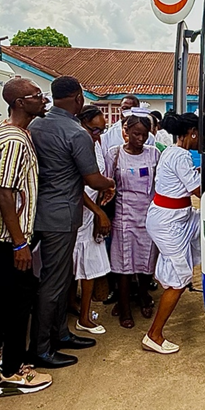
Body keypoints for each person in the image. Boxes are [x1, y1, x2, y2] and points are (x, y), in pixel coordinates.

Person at [0, 77, 52, 397]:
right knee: (19, 301)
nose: (43, 100)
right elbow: (4, 192)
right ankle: (13, 373)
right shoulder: (14, 140)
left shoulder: (5, 131)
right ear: (19, 103)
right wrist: (19, 243)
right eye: (36, 96)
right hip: (5, 237)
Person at [29, 76, 115, 369]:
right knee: (53, 283)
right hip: (62, 215)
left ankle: (61, 333)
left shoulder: (37, 125)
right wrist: (110, 183)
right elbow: (92, 179)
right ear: (79, 98)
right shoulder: (76, 133)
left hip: (41, 210)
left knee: (59, 278)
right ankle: (42, 348)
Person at [143, 111, 201, 354]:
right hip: (169, 222)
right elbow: (198, 190)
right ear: (192, 133)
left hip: (179, 217)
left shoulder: (172, 152)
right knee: (179, 280)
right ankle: (153, 335)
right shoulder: (180, 156)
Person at [105, 110, 161, 328]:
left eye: (144, 135)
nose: (140, 139)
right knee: (124, 263)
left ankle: (144, 295)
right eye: (136, 134)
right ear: (126, 132)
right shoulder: (114, 154)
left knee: (146, 259)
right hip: (123, 216)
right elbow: (107, 185)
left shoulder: (154, 153)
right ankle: (125, 307)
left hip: (147, 215)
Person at [72, 106, 112, 334]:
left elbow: (96, 178)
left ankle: (83, 313)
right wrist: (99, 212)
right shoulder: (76, 143)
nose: (98, 135)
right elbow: (76, 186)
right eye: (94, 130)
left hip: (90, 213)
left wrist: (105, 188)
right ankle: (81, 316)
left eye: (101, 131)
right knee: (78, 265)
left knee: (88, 265)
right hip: (78, 212)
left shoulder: (95, 144)